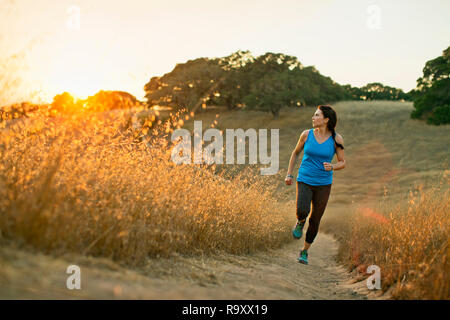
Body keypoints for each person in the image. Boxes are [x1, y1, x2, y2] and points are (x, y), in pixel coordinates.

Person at [285, 105, 346, 265]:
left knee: (315, 219)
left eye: (317, 115)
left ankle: (304, 251)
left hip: (324, 183)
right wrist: (289, 174)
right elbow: (295, 153)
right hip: (305, 178)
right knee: (302, 210)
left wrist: (332, 166)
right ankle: (299, 221)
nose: (313, 117)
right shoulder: (306, 135)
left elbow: (342, 162)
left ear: (326, 120)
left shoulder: (336, 139)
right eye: (314, 115)